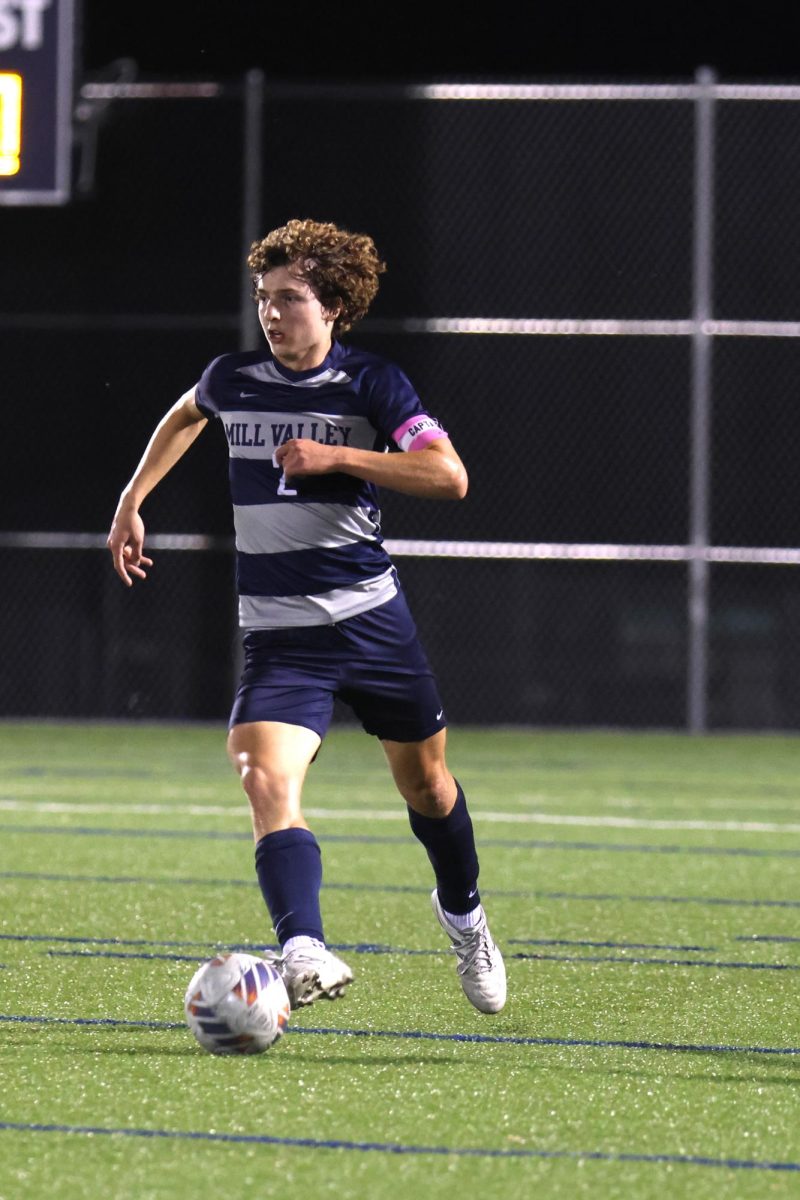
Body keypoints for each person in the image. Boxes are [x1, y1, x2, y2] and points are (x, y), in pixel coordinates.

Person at [107, 217, 506, 1015]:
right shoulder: (233, 378)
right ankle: (302, 948)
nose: (272, 312)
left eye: (290, 298)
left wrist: (339, 457)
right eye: (264, 297)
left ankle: (463, 915)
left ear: (333, 308)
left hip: (371, 621)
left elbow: (449, 476)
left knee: (427, 786)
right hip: (281, 635)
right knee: (262, 776)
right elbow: (187, 413)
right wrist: (132, 498)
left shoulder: (372, 385)